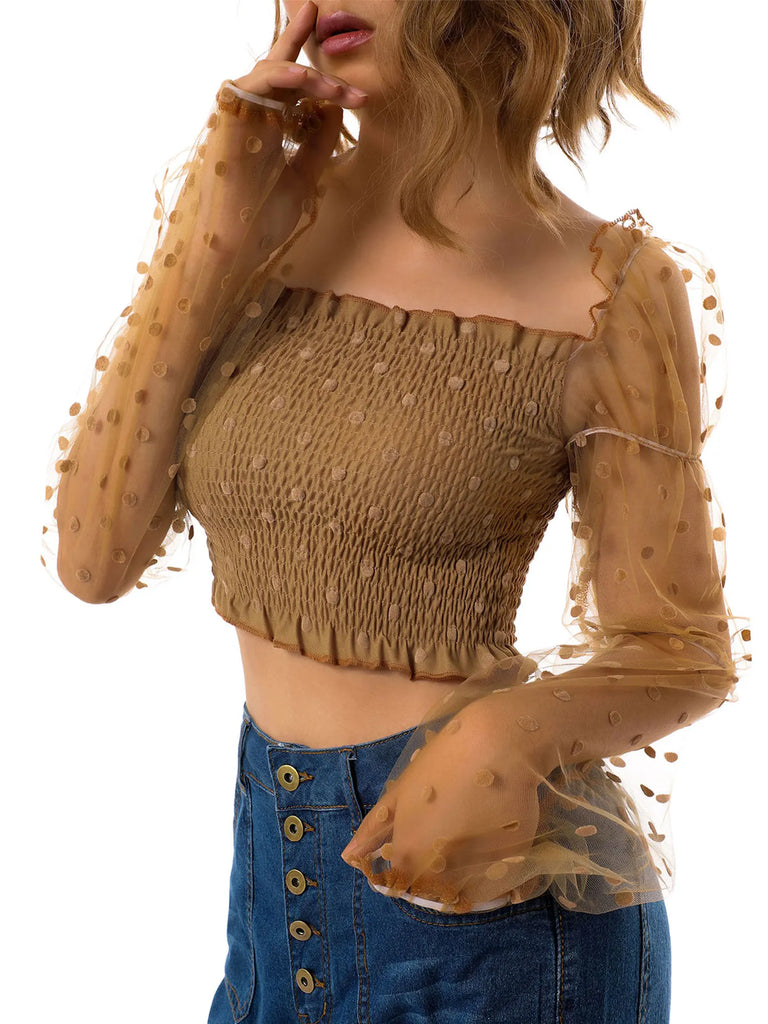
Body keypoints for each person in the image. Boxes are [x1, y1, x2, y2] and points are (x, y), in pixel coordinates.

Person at [40, 2, 751, 1021]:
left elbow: (682, 650)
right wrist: (209, 236)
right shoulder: (264, 216)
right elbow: (91, 561)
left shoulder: (608, 288)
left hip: (494, 923)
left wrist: (501, 737)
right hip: (270, 889)